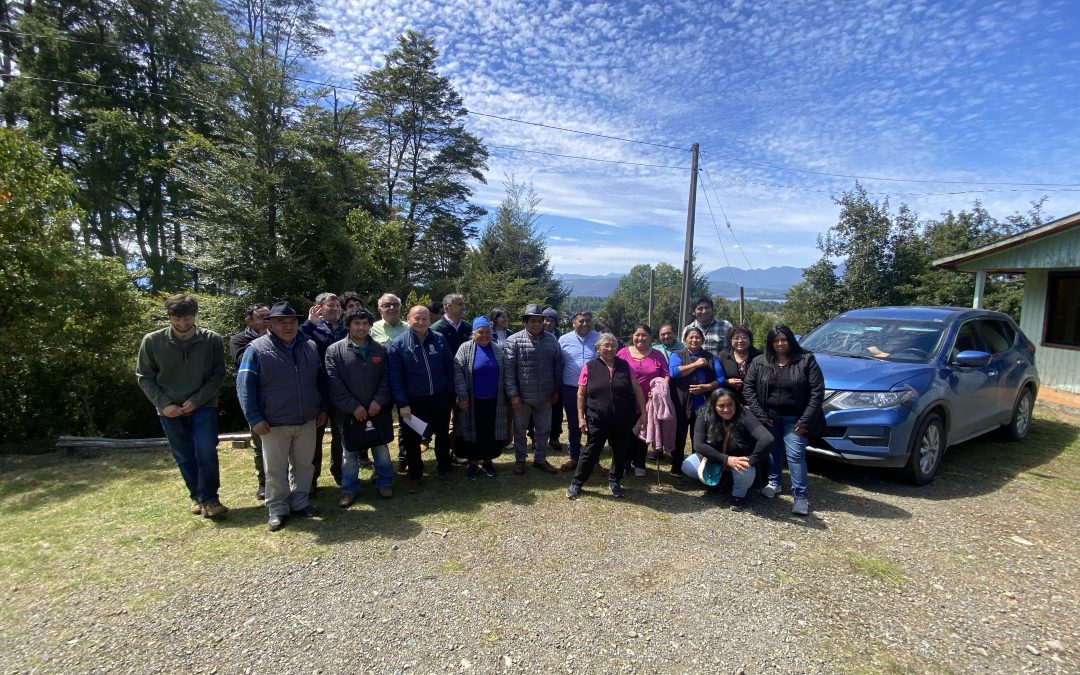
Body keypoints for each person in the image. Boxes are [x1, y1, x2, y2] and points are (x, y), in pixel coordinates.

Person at [237, 302, 326, 532]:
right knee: (275, 469)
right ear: (271, 324)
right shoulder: (256, 349)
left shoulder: (310, 346)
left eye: (292, 322)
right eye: (281, 322)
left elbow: (321, 381)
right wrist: (254, 418)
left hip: (307, 418)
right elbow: (244, 387)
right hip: (274, 421)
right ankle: (277, 508)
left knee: (304, 465)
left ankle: (300, 501)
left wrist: (323, 408)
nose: (288, 326)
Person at [136, 294, 228, 518]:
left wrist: (196, 401)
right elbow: (144, 377)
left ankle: (211, 499)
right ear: (169, 317)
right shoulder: (152, 341)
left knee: (206, 450)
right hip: (169, 409)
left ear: (194, 316)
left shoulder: (211, 340)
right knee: (184, 455)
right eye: (177, 319)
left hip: (203, 405)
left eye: (187, 319)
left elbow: (218, 375)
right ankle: (197, 496)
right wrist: (164, 404)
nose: (182, 324)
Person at [743, 324, 825, 516]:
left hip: (795, 419)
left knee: (795, 456)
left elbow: (817, 391)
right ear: (770, 342)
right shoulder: (760, 361)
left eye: (784, 339)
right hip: (769, 417)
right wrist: (761, 415)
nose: (780, 343)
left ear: (790, 340)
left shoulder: (806, 359)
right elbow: (749, 388)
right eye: (776, 340)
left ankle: (800, 496)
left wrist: (805, 421)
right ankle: (775, 482)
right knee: (773, 451)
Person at [325, 307, 395, 507]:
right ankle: (349, 489)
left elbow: (386, 378)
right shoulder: (334, 351)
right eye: (356, 323)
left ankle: (385, 482)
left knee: (381, 450)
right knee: (349, 454)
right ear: (348, 325)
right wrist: (353, 406)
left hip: (376, 410)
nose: (361, 327)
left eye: (365, 323)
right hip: (349, 414)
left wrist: (378, 401)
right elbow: (334, 383)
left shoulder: (379, 349)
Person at [566, 333, 646, 499]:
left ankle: (615, 480)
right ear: (598, 348)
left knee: (620, 451)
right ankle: (577, 482)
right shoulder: (589, 367)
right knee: (590, 451)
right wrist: (581, 418)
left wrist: (644, 413)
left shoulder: (625, 366)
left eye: (613, 345)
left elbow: (637, 389)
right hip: (597, 419)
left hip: (623, 418)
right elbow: (581, 394)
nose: (610, 348)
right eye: (606, 345)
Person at [387, 305, 456, 492]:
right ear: (408, 319)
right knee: (412, 439)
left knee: (442, 435)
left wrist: (449, 391)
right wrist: (402, 403)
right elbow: (395, 377)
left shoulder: (439, 339)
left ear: (430, 320)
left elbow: (449, 366)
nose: (421, 322)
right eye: (417, 318)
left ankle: (444, 469)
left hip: (440, 397)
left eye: (425, 318)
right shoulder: (398, 344)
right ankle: (415, 475)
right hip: (413, 402)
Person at [504, 304, 563, 475]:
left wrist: (556, 390)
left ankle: (540, 459)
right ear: (525, 322)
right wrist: (513, 395)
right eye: (532, 321)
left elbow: (558, 366)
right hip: (522, 396)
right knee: (520, 430)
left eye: (539, 321)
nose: (536, 324)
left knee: (543, 429)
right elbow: (509, 371)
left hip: (546, 395)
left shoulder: (551, 340)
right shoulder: (514, 340)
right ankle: (520, 459)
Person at [691, 389, 773, 509]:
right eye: (721, 406)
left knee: (745, 471)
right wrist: (726, 459)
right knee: (688, 466)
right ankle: (717, 481)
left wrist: (751, 460)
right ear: (713, 406)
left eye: (730, 405)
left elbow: (767, 438)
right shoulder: (704, 415)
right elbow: (698, 445)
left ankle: (738, 495)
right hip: (716, 459)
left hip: (739, 458)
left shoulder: (744, 414)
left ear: (736, 404)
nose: (726, 409)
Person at [301, 292, 348, 490]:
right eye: (331, 306)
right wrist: (309, 323)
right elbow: (296, 341)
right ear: (319, 308)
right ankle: (311, 479)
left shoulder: (347, 328)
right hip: (317, 390)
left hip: (342, 390)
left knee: (341, 435)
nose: (335, 309)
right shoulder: (312, 329)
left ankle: (340, 472)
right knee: (314, 438)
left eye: (338, 306)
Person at [453, 317, 507, 480]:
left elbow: (505, 372)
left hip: (494, 400)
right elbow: (458, 372)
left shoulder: (497, 349)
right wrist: (463, 397)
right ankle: (473, 463)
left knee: (489, 432)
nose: (484, 335)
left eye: (487, 332)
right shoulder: (465, 348)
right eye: (480, 332)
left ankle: (488, 461)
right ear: (474, 333)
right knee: (472, 431)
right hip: (471, 400)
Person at [668, 326, 725, 478]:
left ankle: (698, 468)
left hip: (702, 404)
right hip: (681, 403)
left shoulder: (710, 357)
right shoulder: (678, 354)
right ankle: (676, 466)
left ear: (703, 340)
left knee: (699, 437)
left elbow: (721, 379)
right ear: (684, 340)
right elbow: (674, 372)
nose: (694, 340)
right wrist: (696, 364)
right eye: (691, 337)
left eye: (698, 337)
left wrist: (707, 387)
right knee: (679, 435)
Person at [228, 303, 270, 500]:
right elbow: (241, 361)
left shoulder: (280, 336)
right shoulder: (239, 340)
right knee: (260, 444)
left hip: (279, 399)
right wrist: (262, 341)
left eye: (269, 316)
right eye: (262, 317)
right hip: (255, 400)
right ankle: (264, 483)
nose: (266, 321)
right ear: (249, 321)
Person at [616, 324, 669, 477]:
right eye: (637, 335)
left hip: (648, 402)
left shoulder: (658, 355)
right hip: (626, 401)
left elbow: (666, 375)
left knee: (644, 432)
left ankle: (639, 462)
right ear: (632, 336)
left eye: (644, 335)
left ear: (650, 337)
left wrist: (659, 390)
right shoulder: (622, 353)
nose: (640, 338)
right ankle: (624, 463)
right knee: (625, 433)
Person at [558, 312, 605, 474]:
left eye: (588, 321)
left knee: (594, 425)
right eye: (581, 321)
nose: (585, 323)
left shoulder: (599, 338)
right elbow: (558, 363)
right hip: (571, 388)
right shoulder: (563, 340)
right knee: (573, 424)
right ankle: (574, 457)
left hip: (594, 389)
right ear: (573, 323)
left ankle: (594, 461)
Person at [371, 292, 409, 472]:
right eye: (387, 305)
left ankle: (405, 459)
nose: (392, 308)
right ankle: (381, 465)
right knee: (380, 424)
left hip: (405, 384)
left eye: (395, 304)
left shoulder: (410, 328)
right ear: (380, 309)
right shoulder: (371, 329)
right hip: (381, 385)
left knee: (407, 422)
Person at [718, 325, 761, 406]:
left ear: (750, 339)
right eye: (736, 338)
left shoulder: (759, 356)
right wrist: (726, 382)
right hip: (729, 402)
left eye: (744, 337)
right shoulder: (723, 356)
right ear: (730, 340)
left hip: (755, 401)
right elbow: (716, 377)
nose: (740, 341)